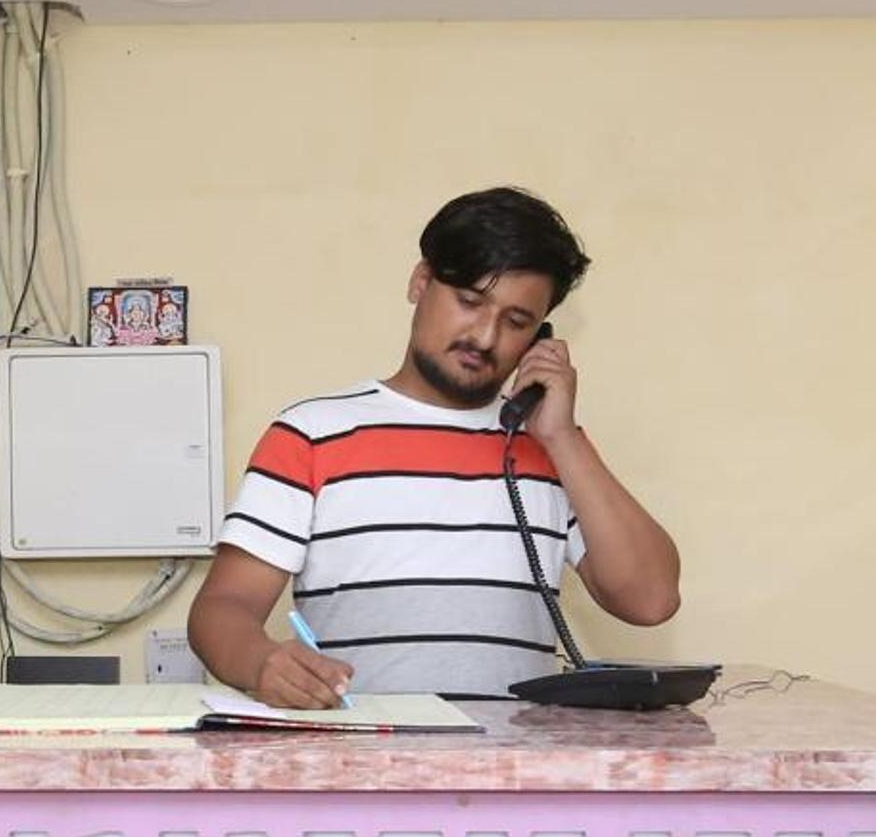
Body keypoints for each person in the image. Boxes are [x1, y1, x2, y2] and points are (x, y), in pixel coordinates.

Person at [187, 187, 682, 706]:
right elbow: (223, 606)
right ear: (420, 282)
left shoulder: (552, 447)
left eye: (516, 322)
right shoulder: (312, 433)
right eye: (470, 302)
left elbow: (651, 600)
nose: (485, 337)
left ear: (541, 337)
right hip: (362, 747)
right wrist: (261, 662)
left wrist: (562, 437)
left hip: (518, 754)